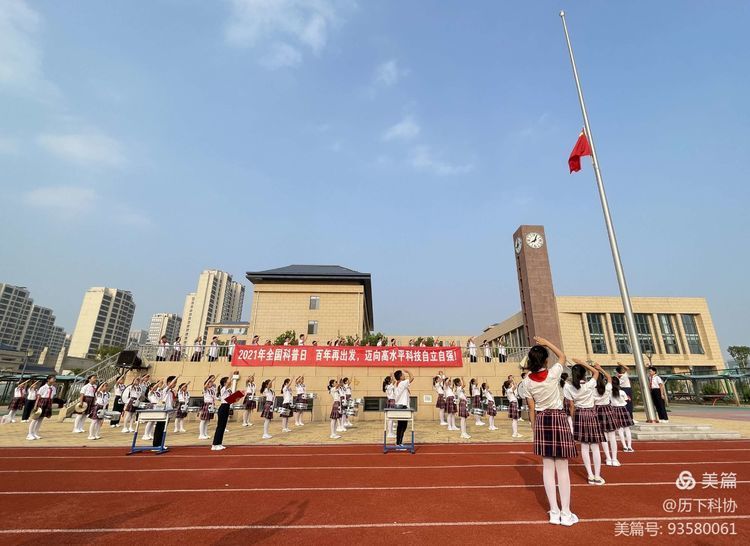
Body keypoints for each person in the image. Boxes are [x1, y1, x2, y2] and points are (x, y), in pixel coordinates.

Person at [522, 336, 578, 526]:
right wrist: (547, 342)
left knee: (547, 467)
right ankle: (566, 512)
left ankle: (554, 511)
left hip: (541, 420)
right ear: (546, 360)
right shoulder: (554, 372)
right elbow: (562, 356)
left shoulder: (527, 382)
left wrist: (534, 428)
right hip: (557, 418)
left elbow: (531, 408)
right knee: (562, 467)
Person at [566, 359, 605, 485]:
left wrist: (573, 418)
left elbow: (571, 406)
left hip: (579, 414)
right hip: (591, 414)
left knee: (584, 446)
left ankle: (590, 474)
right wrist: (583, 363)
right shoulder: (589, 385)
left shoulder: (568, 387)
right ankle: (597, 475)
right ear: (583, 374)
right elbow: (596, 373)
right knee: (594, 447)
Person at [593, 366, 620, 467]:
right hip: (608, 410)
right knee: (612, 437)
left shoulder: (592, 390)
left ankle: (608, 458)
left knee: (603, 437)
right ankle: (614, 458)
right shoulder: (607, 387)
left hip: (598, 411)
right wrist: (600, 368)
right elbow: (609, 377)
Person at [27, 375, 56, 441]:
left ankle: (35, 433)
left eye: (54, 379)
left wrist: (50, 405)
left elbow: (52, 397)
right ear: (48, 380)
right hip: (42, 402)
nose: (54, 380)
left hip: (48, 403)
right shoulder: (43, 388)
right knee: (35, 418)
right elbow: (38, 397)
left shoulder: (54, 388)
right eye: (53, 378)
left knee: (41, 419)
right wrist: (35, 406)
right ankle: (29, 434)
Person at [611, 376, 635, 452]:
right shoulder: (622, 392)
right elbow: (626, 400)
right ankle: (629, 446)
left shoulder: (609, 392)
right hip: (623, 409)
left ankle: (624, 446)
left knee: (620, 429)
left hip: (615, 410)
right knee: (627, 429)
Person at [392, 369, 414, 449]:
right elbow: (412, 378)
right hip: (402, 406)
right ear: (400, 377)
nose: (404, 375)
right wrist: (408, 371)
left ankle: (399, 443)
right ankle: (398, 444)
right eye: (403, 374)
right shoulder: (402, 383)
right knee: (403, 425)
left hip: (399, 405)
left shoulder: (397, 384)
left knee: (401, 425)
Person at [211, 376, 231, 451]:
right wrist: (231, 376)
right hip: (223, 407)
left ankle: (219, 443)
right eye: (228, 381)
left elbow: (230, 400)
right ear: (225, 383)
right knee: (220, 426)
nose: (230, 382)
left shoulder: (229, 390)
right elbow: (228, 382)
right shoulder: (223, 389)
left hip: (227, 407)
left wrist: (237, 396)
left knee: (223, 426)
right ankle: (214, 444)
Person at [198, 376, 216, 440]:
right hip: (206, 404)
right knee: (203, 420)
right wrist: (209, 380)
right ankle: (201, 434)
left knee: (207, 420)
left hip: (211, 405)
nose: (211, 384)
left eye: (211, 383)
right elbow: (205, 386)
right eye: (210, 383)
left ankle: (205, 433)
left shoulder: (212, 390)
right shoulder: (205, 389)